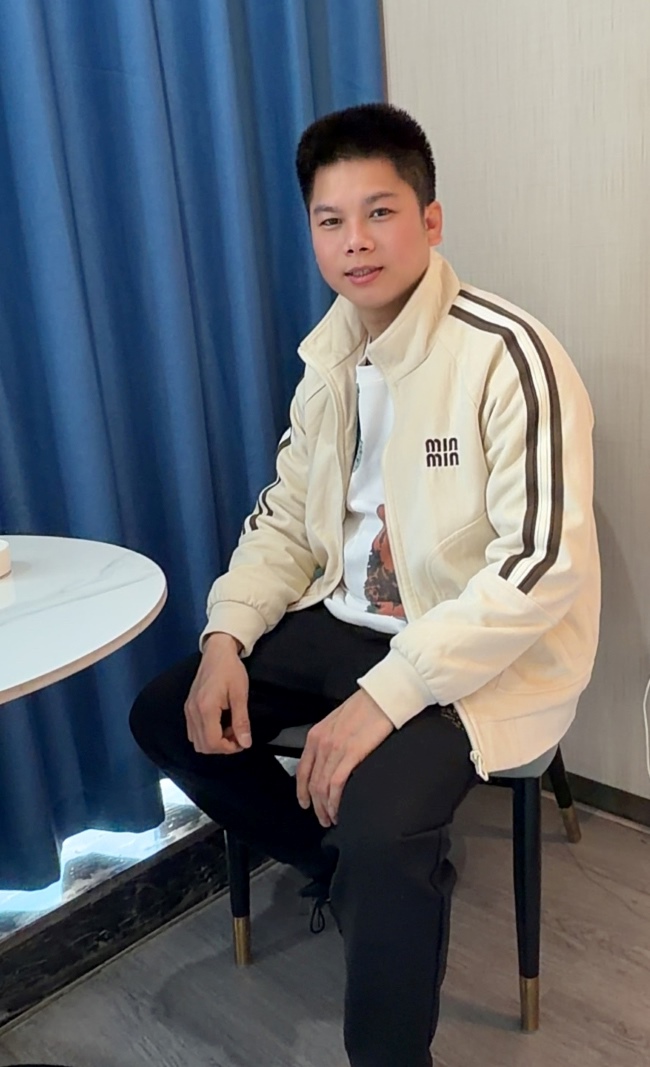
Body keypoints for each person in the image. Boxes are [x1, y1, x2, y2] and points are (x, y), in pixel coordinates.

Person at [130, 103, 600, 1067]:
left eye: (379, 212)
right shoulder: (330, 359)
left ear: (430, 220)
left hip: (471, 650)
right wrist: (225, 638)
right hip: (349, 620)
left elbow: (539, 565)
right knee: (169, 712)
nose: (355, 241)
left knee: (385, 831)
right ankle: (338, 869)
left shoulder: (506, 354)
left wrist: (387, 696)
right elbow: (284, 520)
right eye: (330, 219)